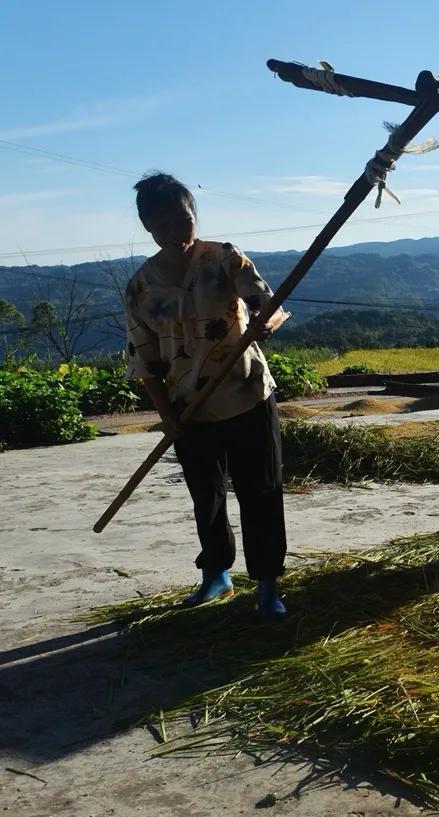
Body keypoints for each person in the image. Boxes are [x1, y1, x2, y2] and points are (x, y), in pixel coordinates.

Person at [124, 172, 288, 617]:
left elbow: (266, 303)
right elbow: (146, 360)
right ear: (148, 228)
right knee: (206, 495)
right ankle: (216, 574)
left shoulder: (223, 258)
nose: (177, 233)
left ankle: (268, 585)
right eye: (164, 226)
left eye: (184, 221)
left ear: (194, 215)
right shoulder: (140, 288)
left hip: (247, 391)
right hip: (188, 406)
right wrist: (167, 416)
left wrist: (263, 324)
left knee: (262, 491)